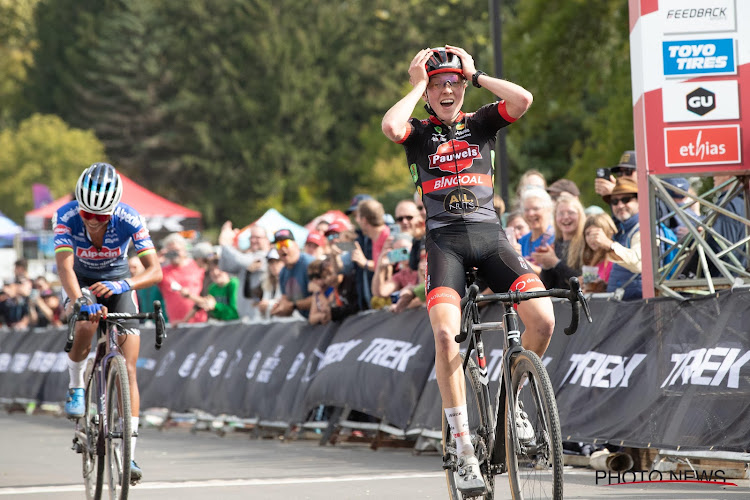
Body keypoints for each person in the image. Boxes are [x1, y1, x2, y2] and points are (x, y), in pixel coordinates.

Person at [382, 45, 552, 495]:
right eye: (437, 85)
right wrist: (416, 81)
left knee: (543, 317)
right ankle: (462, 446)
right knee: (444, 336)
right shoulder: (418, 132)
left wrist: (476, 75)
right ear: (427, 92)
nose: (446, 90)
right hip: (445, 246)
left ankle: (511, 405)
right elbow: (390, 126)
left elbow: (523, 100)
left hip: (490, 238)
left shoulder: (480, 123)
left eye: (452, 83)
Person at [53, 163, 162, 482]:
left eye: (100, 217)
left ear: (112, 211)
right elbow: (64, 268)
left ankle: (130, 454)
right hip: (80, 279)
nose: (91, 220)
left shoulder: (130, 218)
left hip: (118, 281)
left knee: (128, 369)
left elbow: (155, 270)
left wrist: (125, 285)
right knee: (86, 324)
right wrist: (81, 300)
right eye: (87, 213)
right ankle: (76, 385)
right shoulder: (66, 216)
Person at [597, 178, 643, 300]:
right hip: (624, 307)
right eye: (615, 202)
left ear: (639, 201)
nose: (620, 205)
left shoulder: (644, 227)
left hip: (640, 307)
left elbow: (638, 264)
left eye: (625, 199)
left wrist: (610, 245)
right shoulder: (622, 230)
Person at [218, 222, 270, 321]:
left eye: (257, 237)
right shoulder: (248, 256)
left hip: (261, 316)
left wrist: (225, 243)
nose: (254, 240)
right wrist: (229, 243)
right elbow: (224, 266)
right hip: (245, 316)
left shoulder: (268, 257)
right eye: (251, 237)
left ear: (266, 240)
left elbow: (241, 260)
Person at [532, 193, 585, 289]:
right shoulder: (556, 244)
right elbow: (547, 286)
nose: (565, 217)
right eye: (561, 213)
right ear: (555, 218)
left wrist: (555, 263)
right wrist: (546, 265)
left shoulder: (586, 244)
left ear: (580, 215)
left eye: (571, 212)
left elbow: (582, 279)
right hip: (560, 302)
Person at [157, 233, 207, 324]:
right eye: (171, 251)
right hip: (176, 325)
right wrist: (156, 260)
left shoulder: (196, 265)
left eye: (176, 250)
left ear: (184, 250)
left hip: (199, 322)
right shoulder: (162, 272)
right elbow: (140, 276)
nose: (174, 254)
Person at [269, 229, 315, 318]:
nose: (282, 248)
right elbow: (285, 301)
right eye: (278, 245)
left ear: (296, 245)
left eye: (285, 243)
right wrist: (279, 308)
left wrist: (293, 305)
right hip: (307, 322)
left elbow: (320, 298)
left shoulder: (309, 264)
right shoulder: (283, 272)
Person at [518, 187, 555, 275]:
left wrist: (518, 262)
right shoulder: (522, 241)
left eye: (536, 209)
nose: (531, 214)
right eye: (526, 210)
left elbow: (552, 274)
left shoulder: (556, 238)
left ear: (548, 209)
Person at [578, 213, 617, 293]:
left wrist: (601, 286)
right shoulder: (590, 260)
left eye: (595, 234)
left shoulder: (615, 259)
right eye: (588, 234)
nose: (592, 238)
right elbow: (589, 290)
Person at [128, 255, 168, 324]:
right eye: (129, 267)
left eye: (135, 267)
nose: (131, 270)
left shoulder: (157, 283)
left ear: (143, 267)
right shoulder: (129, 286)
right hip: (142, 321)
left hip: (161, 321)